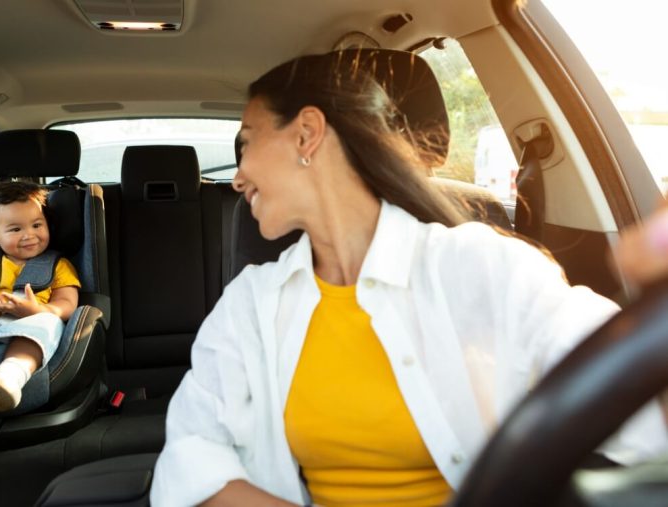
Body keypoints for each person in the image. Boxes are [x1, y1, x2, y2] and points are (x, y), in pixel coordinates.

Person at [150, 51, 668, 506]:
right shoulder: (249, 305)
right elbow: (193, 457)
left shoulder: (484, 269)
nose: (236, 175)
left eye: (245, 143)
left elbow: (642, 401)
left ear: (307, 133)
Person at [0, 181, 80, 412]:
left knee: (50, 323)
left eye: (37, 225)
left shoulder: (58, 266)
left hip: (27, 334)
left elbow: (68, 305)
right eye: (16, 229)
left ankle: (9, 376)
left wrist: (36, 311)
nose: (29, 235)